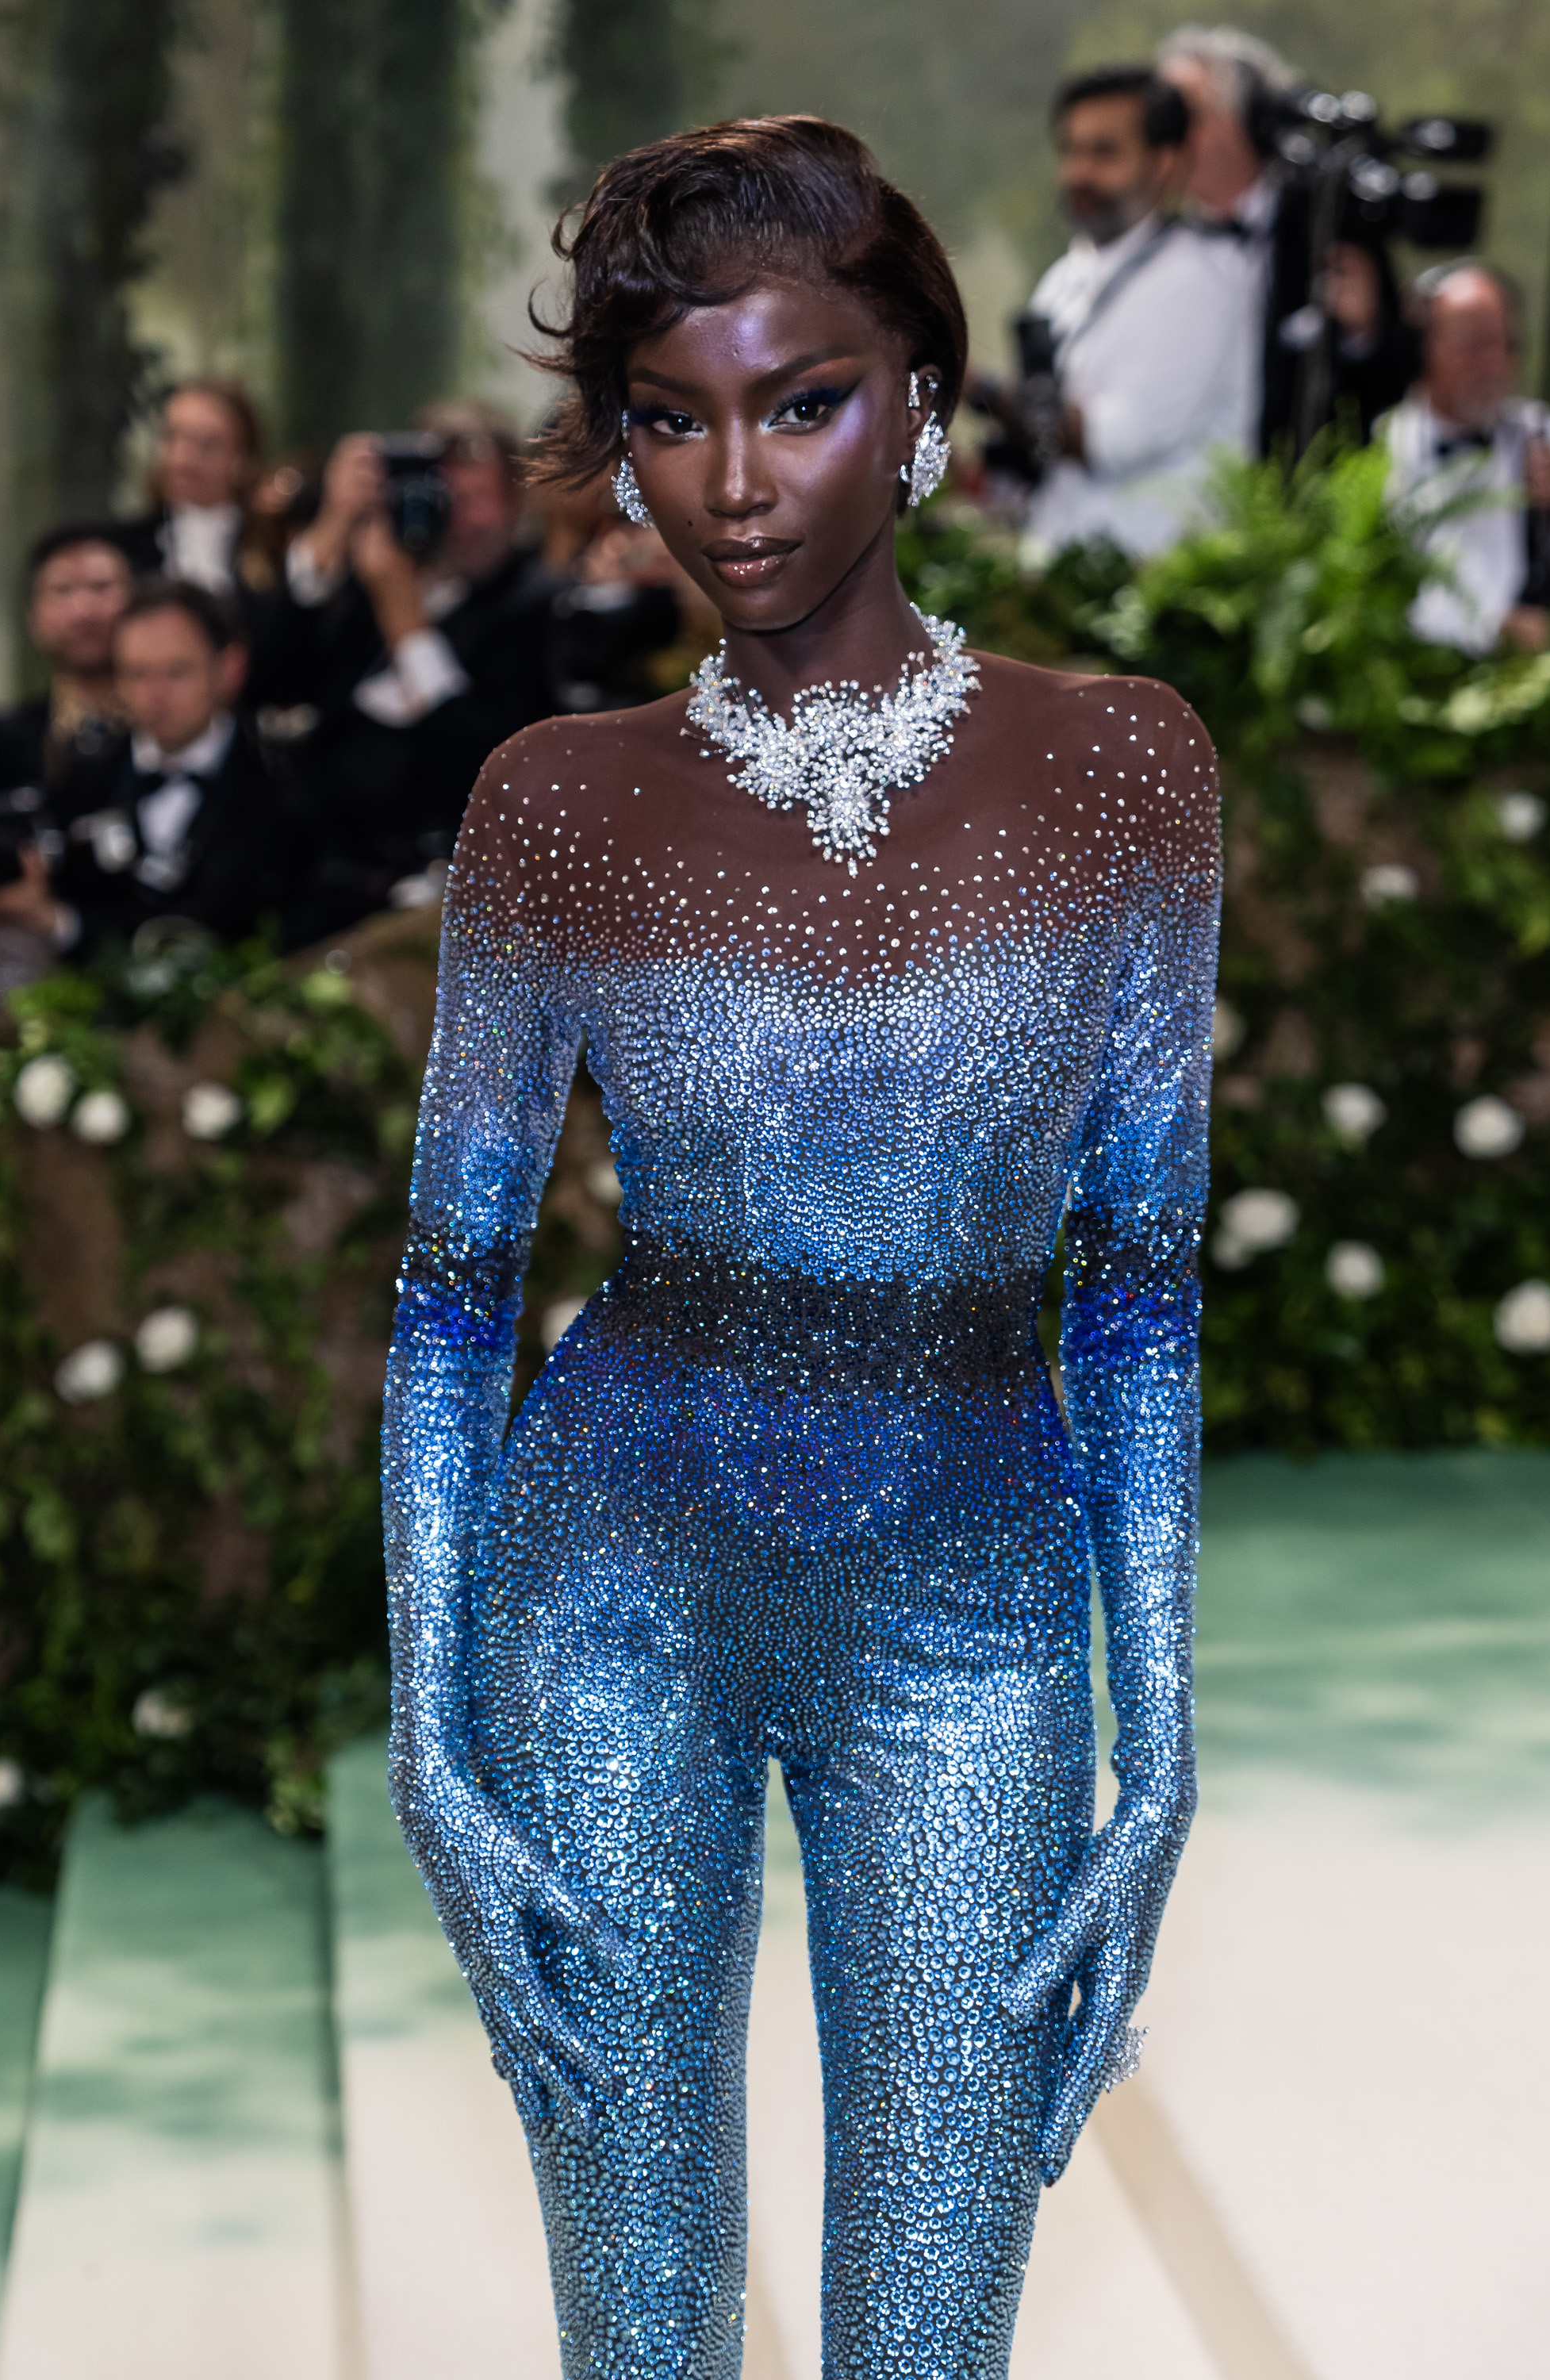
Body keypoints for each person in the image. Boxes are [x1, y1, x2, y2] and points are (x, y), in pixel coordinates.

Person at [384, 114, 1218, 2373]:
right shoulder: (552, 805)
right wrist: (426, 1732)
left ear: (925, 406)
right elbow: (453, 1295)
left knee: (931, 2331)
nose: (732, 481)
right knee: (638, 2331)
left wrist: (1170, 1748)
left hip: (975, 1589)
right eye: (670, 420)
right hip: (604, 1582)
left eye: (801, 399)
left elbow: (1141, 1288)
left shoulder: (1126, 773)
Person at [259, 401, 563, 937]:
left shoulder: (537, 606)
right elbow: (273, 680)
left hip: (437, 911)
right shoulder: (379, 578)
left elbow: (484, 765)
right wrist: (332, 527)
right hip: (313, 889)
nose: (459, 521)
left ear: (518, 503)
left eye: (476, 499)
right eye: (442, 498)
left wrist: (404, 618)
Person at [1020, 65, 1259, 563]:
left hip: (1159, 598)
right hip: (1063, 579)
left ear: (1167, 162)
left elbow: (1112, 443)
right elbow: (1039, 451)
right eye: (1070, 151)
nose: (1078, 173)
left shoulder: (1199, 279)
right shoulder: (1065, 276)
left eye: (1104, 153)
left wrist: (974, 390)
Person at [0, 579, 299, 959]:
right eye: (136, 673)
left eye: (176, 672)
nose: (154, 695)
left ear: (230, 668)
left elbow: (228, 923)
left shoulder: (282, 781)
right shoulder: (84, 774)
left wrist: (62, 922)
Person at [1156, 25, 1419, 456]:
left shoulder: (1328, 219)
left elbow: (1393, 382)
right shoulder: (1154, 238)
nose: (1171, 138)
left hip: (1291, 504)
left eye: (1188, 117)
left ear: (1250, 119)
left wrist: (1364, 332)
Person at [1383, 261, 1550, 653]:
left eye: (1499, 342)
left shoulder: (1542, 438)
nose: (1489, 362)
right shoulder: (1382, 440)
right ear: (1424, 347)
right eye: (1471, 344)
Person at [0, 524, 133, 793]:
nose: (83, 611)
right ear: (33, 619)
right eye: (62, 590)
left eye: (101, 587)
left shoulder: (174, 739)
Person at [121, 376, 274, 600]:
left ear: (244, 460)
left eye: (207, 444)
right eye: (171, 437)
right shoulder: (126, 550)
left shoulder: (275, 549)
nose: (181, 459)